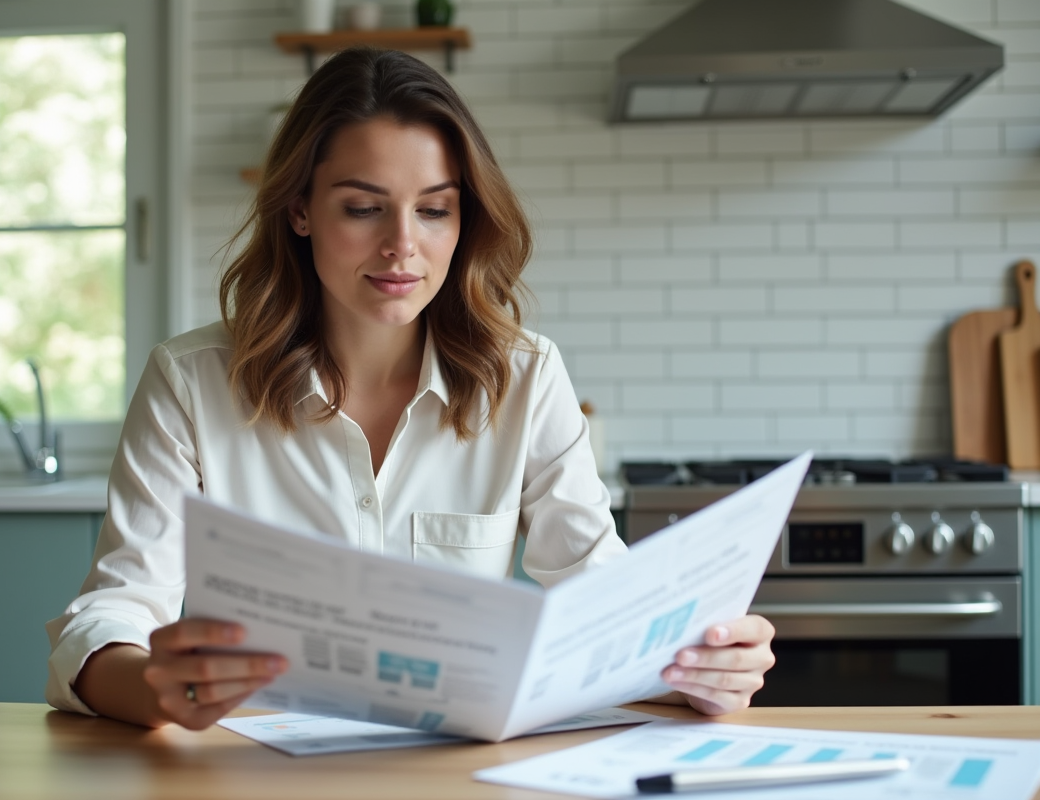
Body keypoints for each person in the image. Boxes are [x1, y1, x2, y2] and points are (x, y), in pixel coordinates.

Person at [45, 47, 776, 731]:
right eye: (363, 208)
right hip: (254, 773)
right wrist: (155, 687)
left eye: (434, 209)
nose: (403, 245)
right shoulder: (191, 382)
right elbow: (112, 611)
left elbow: (603, 608)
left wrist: (700, 668)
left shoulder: (525, 377)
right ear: (300, 210)